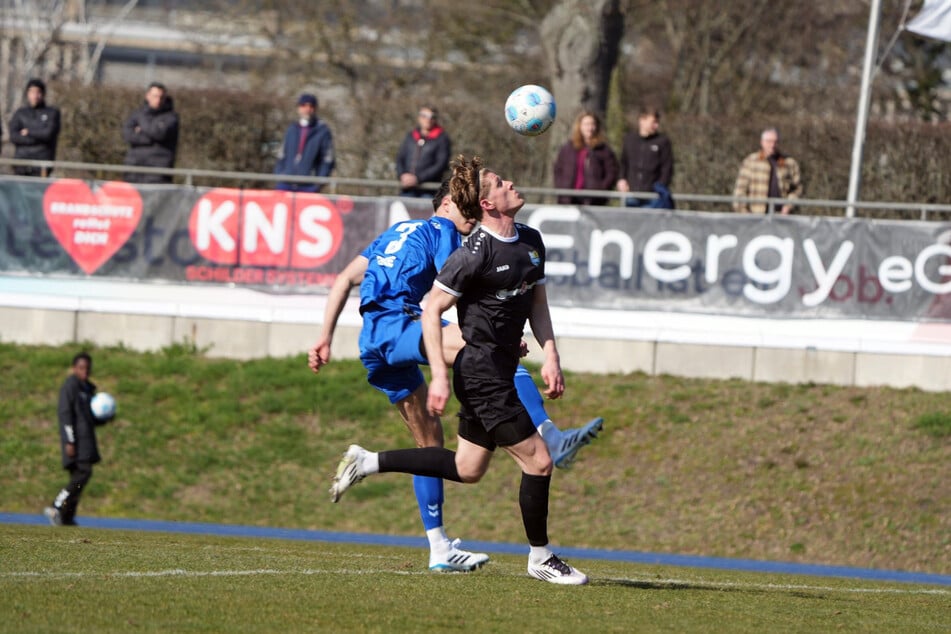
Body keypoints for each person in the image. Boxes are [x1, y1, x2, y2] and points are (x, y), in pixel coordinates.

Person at [310, 165, 602, 572]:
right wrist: (495, 334)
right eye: (463, 207)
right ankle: (550, 437)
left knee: (431, 444)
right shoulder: (443, 232)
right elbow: (459, 294)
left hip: (371, 343)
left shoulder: (393, 232)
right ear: (447, 204)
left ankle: (436, 544)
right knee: (488, 351)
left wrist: (324, 337)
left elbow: (343, 280)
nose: (468, 218)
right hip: (401, 325)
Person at [44, 352, 109, 527]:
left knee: (79, 479)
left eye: (87, 369)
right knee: (83, 473)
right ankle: (56, 506)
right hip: (77, 442)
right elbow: (65, 415)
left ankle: (66, 517)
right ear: (74, 368)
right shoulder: (70, 387)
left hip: (87, 441)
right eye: (81, 368)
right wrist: (69, 441)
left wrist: (105, 418)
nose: (85, 372)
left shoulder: (87, 389)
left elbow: (89, 418)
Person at [552, 110, 618, 206]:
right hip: (568, 198)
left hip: (594, 201)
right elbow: (558, 169)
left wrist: (601, 189)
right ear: (580, 126)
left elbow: (612, 172)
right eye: (586, 124)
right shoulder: (568, 148)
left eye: (592, 124)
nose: (590, 128)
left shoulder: (604, 149)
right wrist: (561, 188)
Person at [733, 127, 803, 214]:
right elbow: (740, 190)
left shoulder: (789, 163)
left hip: (781, 217)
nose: (772, 145)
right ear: (762, 142)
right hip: (755, 216)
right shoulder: (750, 162)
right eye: (769, 141)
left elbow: (797, 189)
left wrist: (788, 206)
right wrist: (744, 213)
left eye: (775, 142)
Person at [274, 93, 335, 192]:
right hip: (285, 184)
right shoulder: (292, 129)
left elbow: (328, 160)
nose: (307, 109)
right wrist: (280, 176)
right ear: (299, 108)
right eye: (304, 106)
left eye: (311, 106)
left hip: (308, 186)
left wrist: (318, 182)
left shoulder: (323, 131)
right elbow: (281, 155)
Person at [617, 104, 674, 208]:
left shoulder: (663, 142)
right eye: (653, 122)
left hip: (653, 197)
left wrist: (660, 187)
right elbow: (623, 163)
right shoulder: (629, 139)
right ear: (642, 120)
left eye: (657, 122)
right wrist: (622, 179)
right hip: (631, 195)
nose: (656, 126)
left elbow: (667, 168)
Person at [122, 82, 180, 184]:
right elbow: (127, 134)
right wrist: (149, 138)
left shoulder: (171, 117)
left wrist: (141, 128)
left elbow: (159, 134)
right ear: (147, 96)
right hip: (134, 168)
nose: (158, 100)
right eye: (155, 96)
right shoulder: (137, 114)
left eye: (161, 97)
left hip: (158, 170)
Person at [9, 78, 61, 177]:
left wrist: (29, 132)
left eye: (38, 92)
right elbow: (14, 136)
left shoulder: (52, 113)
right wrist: (38, 138)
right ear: (27, 94)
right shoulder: (20, 113)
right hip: (21, 163)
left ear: (43, 94)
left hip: (42, 165)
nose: (35, 96)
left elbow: (48, 134)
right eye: (32, 92)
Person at [395, 105, 451, 197]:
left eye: (432, 117)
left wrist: (418, 178)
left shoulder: (442, 139)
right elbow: (400, 158)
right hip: (407, 188)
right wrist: (402, 175)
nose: (428, 119)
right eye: (424, 115)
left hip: (429, 190)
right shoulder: (411, 136)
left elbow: (441, 164)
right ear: (419, 117)